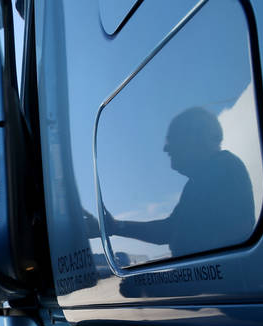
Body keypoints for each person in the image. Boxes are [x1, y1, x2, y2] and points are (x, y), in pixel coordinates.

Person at [105, 106, 254, 257]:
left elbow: (171, 231)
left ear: (198, 137)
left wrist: (117, 227)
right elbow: (170, 230)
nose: (165, 148)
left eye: (172, 138)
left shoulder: (221, 170)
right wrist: (117, 227)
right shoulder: (203, 178)